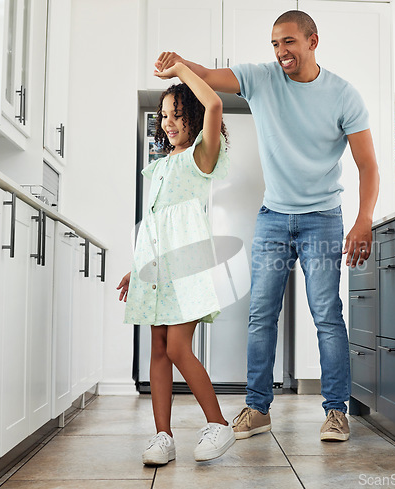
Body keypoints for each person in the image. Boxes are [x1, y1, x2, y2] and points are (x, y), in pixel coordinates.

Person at [154, 10, 379, 442]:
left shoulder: (343, 95)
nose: (281, 52)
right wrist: (182, 63)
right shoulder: (261, 78)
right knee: (261, 316)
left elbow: (368, 166)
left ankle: (336, 412)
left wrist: (363, 219)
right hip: (274, 216)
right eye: (275, 44)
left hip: (322, 219)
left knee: (327, 314)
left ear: (313, 41)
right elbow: (209, 77)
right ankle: (257, 409)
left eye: (289, 42)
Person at [117, 62, 235, 464]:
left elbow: (216, 102)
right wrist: (138, 268)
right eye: (163, 115)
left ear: (194, 118)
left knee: (179, 347)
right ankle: (162, 437)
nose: (168, 123)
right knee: (158, 348)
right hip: (155, 267)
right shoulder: (162, 165)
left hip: (185, 264)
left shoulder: (200, 157)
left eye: (177, 115)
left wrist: (183, 71)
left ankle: (219, 423)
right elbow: (154, 225)